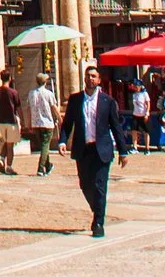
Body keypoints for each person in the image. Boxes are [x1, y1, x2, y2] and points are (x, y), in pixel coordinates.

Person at [55, 69, 131, 237]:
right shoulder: (75, 100)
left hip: (102, 149)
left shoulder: (107, 101)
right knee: (85, 184)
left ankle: (98, 222)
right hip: (83, 148)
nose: (90, 78)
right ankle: (97, 208)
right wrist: (62, 141)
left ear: (99, 80)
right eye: (88, 76)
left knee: (100, 185)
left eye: (93, 76)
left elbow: (116, 127)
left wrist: (123, 151)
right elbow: (68, 123)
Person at [25, 71, 59, 176]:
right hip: (47, 123)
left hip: (36, 123)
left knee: (43, 146)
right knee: (45, 145)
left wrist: (29, 123)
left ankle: (48, 166)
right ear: (45, 82)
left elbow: (28, 109)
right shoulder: (49, 94)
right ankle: (40, 168)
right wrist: (60, 118)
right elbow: (54, 108)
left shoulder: (31, 93)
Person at [0, 69, 22, 173]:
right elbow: (18, 108)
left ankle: (2, 159)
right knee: (10, 144)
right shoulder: (13, 92)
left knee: (7, 141)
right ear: (10, 78)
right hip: (11, 120)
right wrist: (23, 121)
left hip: (0, 120)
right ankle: (9, 166)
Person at [128, 78, 153, 152]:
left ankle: (147, 148)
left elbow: (148, 103)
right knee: (134, 130)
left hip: (143, 114)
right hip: (135, 114)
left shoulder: (144, 94)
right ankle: (135, 147)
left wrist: (147, 113)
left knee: (146, 131)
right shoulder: (134, 94)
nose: (135, 87)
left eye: (136, 86)